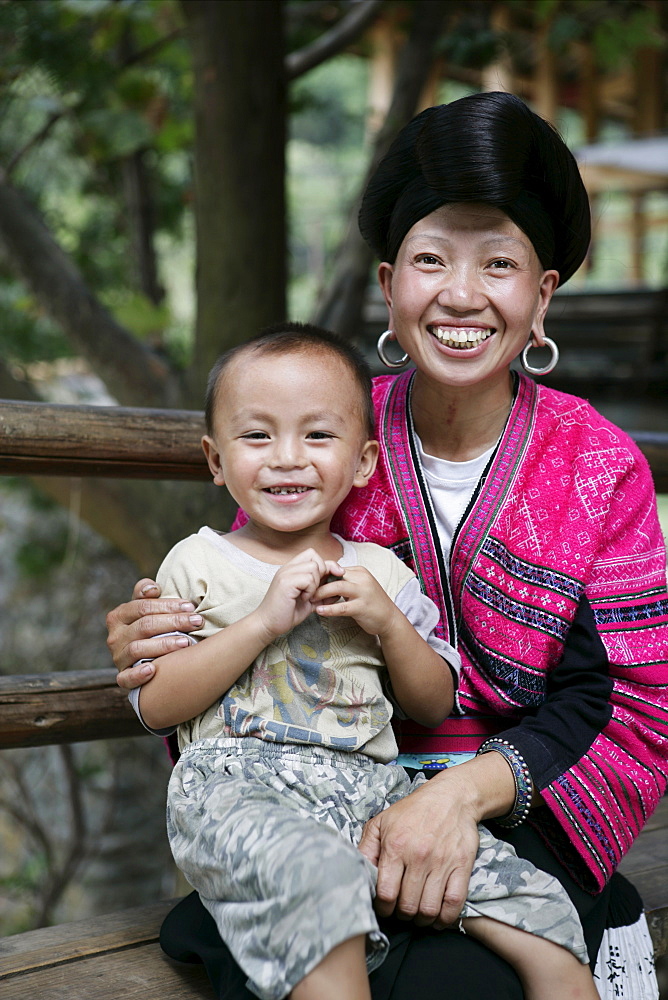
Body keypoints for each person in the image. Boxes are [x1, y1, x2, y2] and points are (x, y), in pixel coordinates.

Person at [108, 92, 668, 1000]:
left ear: (542, 294)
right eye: (431, 258)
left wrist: (457, 796)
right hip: (317, 795)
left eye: (499, 263)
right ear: (388, 283)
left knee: (460, 978)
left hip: (515, 806)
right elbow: (228, 594)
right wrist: (159, 632)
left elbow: (630, 702)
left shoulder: (597, 466)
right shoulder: (325, 431)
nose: (460, 294)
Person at [128, 323, 596, 1000]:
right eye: (257, 436)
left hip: (371, 790)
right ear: (215, 459)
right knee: (316, 883)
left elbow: (432, 703)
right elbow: (156, 706)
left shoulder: (381, 571)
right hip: (239, 789)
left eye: (317, 436)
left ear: (363, 463)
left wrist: (387, 622)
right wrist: (261, 623)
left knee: (535, 902)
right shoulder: (198, 562)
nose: (287, 458)